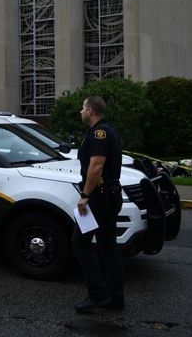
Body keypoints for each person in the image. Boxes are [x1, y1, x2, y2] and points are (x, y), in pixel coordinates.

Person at [71, 96, 124, 313]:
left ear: (91, 110)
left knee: (79, 242)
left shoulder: (98, 133)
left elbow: (96, 166)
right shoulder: (109, 130)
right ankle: (115, 297)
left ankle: (98, 295)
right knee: (107, 247)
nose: (80, 112)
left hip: (99, 198)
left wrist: (85, 195)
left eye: (83, 108)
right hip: (109, 195)